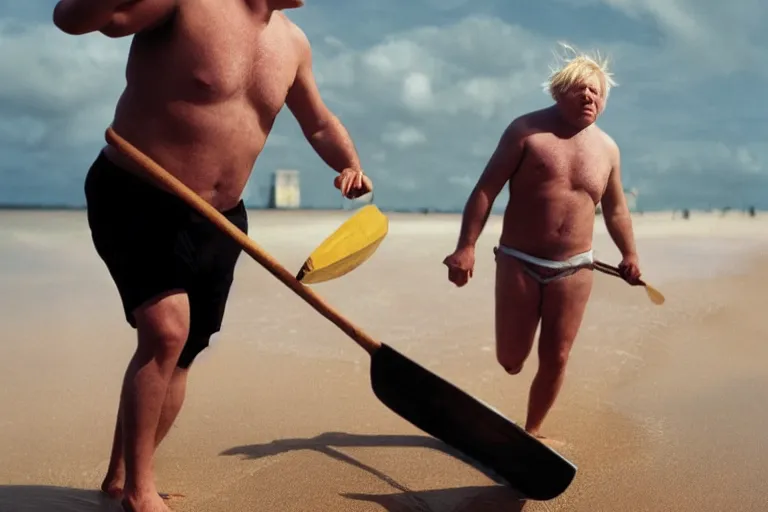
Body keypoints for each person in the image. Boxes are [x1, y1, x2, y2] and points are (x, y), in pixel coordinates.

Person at [52, 1, 372, 511]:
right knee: (166, 331)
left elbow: (317, 122)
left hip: (222, 218)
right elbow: (81, 20)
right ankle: (140, 493)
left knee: (182, 350)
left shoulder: (292, 42)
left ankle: (122, 477)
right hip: (138, 190)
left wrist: (349, 164)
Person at [442, 44, 642, 444]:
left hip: (576, 267)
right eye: (580, 89)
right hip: (519, 260)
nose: (589, 97)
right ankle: (514, 365)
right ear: (558, 91)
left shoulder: (608, 150)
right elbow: (486, 189)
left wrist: (630, 254)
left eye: (596, 92)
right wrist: (467, 246)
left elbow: (616, 211)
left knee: (558, 356)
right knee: (511, 359)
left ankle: (531, 432)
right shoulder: (526, 132)